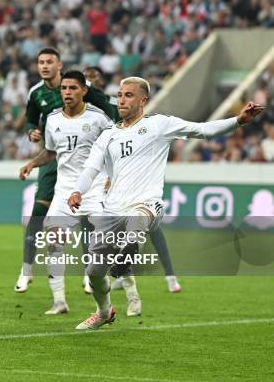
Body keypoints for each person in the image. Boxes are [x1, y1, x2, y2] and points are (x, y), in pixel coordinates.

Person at [69, 77, 264, 330]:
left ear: (143, 100)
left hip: (147, 204)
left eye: (128, 95)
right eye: (119, 95)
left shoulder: (160, 125)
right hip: (112, 210)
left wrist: (238, 120)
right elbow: (91, 168)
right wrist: (77, 191)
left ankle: (129, 251)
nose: (121, 100)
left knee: (137, 222)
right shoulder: (108, 136)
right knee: (94, 272)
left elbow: (203, 130)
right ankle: (104, 312)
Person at [16, 48, 116, 295]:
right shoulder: (36, 94)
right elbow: (30, 120)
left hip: (88, 162)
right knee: (39, 213)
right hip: (55, 156)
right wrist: (31, 132)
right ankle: (27, 269)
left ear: (59, 65)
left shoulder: (84, 89)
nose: (44, 66)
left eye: (49, 62)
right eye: (40, 62)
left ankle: (89, 273)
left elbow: (109, 111)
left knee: (88, 222)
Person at [84, 66, 181, 294]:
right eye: (87, 79)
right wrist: (110, 175)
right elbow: (108, 148)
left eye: (93, 78)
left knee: (151, 230)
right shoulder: (90, 114)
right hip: (115, 183)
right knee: (105, 229)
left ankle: (170, 275)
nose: (122, 99)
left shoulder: (109, 104)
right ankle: (114, 274)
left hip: (141, 183)